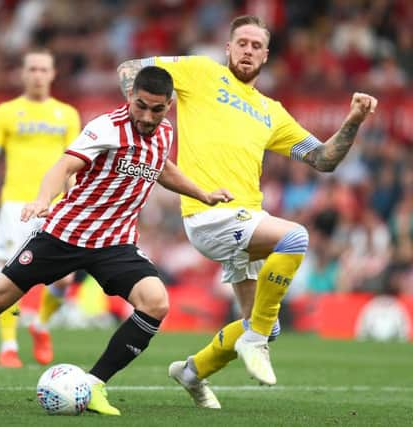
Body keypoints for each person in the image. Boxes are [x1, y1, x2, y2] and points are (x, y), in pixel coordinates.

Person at [0, 66, 234, 415]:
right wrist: (43, 199)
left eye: (157, 108)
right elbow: (61, 167)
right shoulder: (106, 127)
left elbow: (162, 168)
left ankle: (93, 386)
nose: (147, 116)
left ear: (169, 105)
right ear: (129, 97)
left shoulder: (165, 132)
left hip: (114, 243)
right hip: (65, 233)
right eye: (141, 105)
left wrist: (203, 194)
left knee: (156, 303)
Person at [117, 15, 378, 408]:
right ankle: (254, 340)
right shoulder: (201, 72)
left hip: (246, 220)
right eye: (242, 43)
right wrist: (145, 115)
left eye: (257, 46)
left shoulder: (271, 111)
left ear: (266, 55)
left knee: (265, 324)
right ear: (228, 47)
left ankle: (191, 371)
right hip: (208, 212)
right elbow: (131, 70)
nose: (248, 50)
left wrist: (354, 119)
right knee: (295, 237)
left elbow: (323, 159)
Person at [0, 49, 80, 368]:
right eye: (32, 69)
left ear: (53, 74)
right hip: (15, 204)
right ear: (23, 74)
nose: (37, 74)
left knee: (64, 281)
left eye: (43, 69)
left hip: (55, 204)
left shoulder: (67, 114)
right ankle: (8, 345)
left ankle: (41, 326)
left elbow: (75, 163)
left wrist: (74, 198)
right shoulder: (6, 112)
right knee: (10, 277)